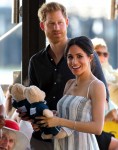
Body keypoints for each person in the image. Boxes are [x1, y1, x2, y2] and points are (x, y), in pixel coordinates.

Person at [20, 2, 115, 150]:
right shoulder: (36, 62)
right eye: (51, 23)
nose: (56, 28)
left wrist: (67, 121)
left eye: (60, 22)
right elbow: (33, 99)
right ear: (42, 26)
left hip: (79, 140)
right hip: (42, 139)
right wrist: (31, 116)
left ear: (67, 23)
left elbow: (103, 100)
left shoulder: (85, 56)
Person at [37, 36, 106, 149]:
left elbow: (97, 128)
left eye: (79, 56)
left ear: (90, 57)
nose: (74, 62)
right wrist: (51, 117)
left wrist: (59, 120)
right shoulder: (69, 83)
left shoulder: (97, 86)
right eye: (70, 57)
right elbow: (70, 116)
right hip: (62, 145)